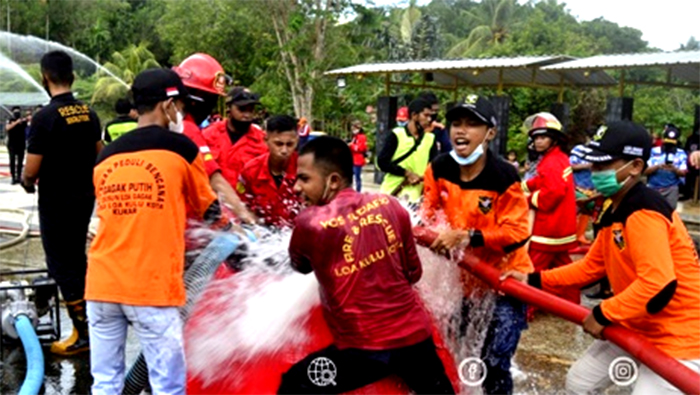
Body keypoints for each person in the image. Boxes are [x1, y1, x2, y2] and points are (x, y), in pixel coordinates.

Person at [502, 121, 700, 395]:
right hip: (636, 322)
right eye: (594, 166)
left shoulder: (644, 211)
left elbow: (659, 282)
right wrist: (532, 278)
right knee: (580, 383)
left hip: (678, 337)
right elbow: (590, 267)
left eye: (604, 166)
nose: (595, 173)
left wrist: (603, 312)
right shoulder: (612, 208)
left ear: (635, 167)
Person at [86, 68, 234, 395]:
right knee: (167, 385)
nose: (181, 113)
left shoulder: (107, 155)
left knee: (106, 383)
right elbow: (209, 212)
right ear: (168, 105)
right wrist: (239, 239)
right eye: (179, 105)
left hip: (101, 284)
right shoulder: (181, 148)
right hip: (150, 287)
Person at [279, 136, 454, 394]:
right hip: (415, 339)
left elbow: (301, 266)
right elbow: (413, 274)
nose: (295, 187)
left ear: (333, 181)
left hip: (363, 352)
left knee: (294, 384)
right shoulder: (392, 206)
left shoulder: (310, 223)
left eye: (304, 179)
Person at [423, 96, 533, 395]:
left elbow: (517, 233)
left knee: (495, 363)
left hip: (505, 278)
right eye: (456, 123)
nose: (461, 131)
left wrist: (466, 236)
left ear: (490, 133)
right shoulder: (438, 167)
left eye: (473, 124)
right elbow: (428, 216)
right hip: (464, 279)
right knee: (457, 350)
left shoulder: (504, 175)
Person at [22, 50, 102, 356]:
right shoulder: (89, 112)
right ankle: (92, 326)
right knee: (76, 259)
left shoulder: (43, 118)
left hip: (57, 201)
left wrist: (28, 183)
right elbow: (99, 152)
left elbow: (31, 169)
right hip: (84, 197)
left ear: (45, 78)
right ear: (73, 76)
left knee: (61, 262)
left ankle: (82, 334)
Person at [173, 53, 256, 224]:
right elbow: (214, 180)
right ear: (197, 100)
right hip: (191, 226)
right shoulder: (189, 130)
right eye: (212, 100)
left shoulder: (169, 126)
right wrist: (248, 220)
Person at [521, 112, 579, 307]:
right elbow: (542, 180)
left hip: (549, 228)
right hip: (561, 227)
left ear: (554, 139)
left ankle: (525, 308)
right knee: (563, 267)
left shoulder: (552, 162)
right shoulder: (558, 158)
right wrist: (521, 186)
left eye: (543, 137)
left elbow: (552, 193)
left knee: (533, 268)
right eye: (536, 137)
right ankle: (573, 305)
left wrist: (526, 200)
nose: (538, 141)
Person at [237, 115, 301, 228]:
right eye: (279, 144)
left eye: (290, 144)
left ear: (297, 141)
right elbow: (243, 206)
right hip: (263, 232)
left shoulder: (305, 169)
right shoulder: (251, 171)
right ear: (266, 140)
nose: (284, 150)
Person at [202, 86, 268, 188]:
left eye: (250, 110)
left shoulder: (262, 141)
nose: (247, 115)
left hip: (244, 201)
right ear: (229, 108)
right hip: (212, 199)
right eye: (241, 109)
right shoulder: (208, 135)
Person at [377, 98, 437, 202]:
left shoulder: (430, 139)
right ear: (414, 115)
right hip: (392, 193)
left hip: (416, 198)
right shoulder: (396, 134)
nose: (429, 119)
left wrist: (422, 179)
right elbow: (382, 162)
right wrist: (406, 173)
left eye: (430, 116)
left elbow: (434, 167)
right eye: (426, 115)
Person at [645, 125, 687, 210]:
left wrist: (674, 169)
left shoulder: (680, 153)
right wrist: (658, 166)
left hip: (671, 188)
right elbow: (645, 171)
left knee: (669, 213)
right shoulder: (654, 151)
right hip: (653, 187)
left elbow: (683, 173)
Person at [570, 138, 596, 245]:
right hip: (577, 185)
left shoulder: (597, 151)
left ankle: (580, 235)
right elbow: (570, 166)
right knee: (575, 210)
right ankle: (571, 236)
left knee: (587, 210)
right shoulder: (579, 150)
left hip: (590, 186)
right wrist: (587, 165)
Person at [6, 106, 28, 184]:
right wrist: (16, 122)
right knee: (12, 160)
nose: (17, 113)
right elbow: (7, 128)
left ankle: (19, 176)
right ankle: (13, 177)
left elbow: (28, 124)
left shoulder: (23, 121)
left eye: (18, 111)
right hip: (12, 144)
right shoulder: (10, 120)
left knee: (20, 161)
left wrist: (24, 120)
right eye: (15, 111)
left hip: (21, 144)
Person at [348, 120, 367, 192]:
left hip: (358, 160)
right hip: (353, 159)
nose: (353, 130)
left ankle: (358, 191)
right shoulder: (355, 137)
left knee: (357, 177)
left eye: (354, 129)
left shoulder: (361, 137)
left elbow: (360, 148)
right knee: (350, 176)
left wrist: (351, 146)